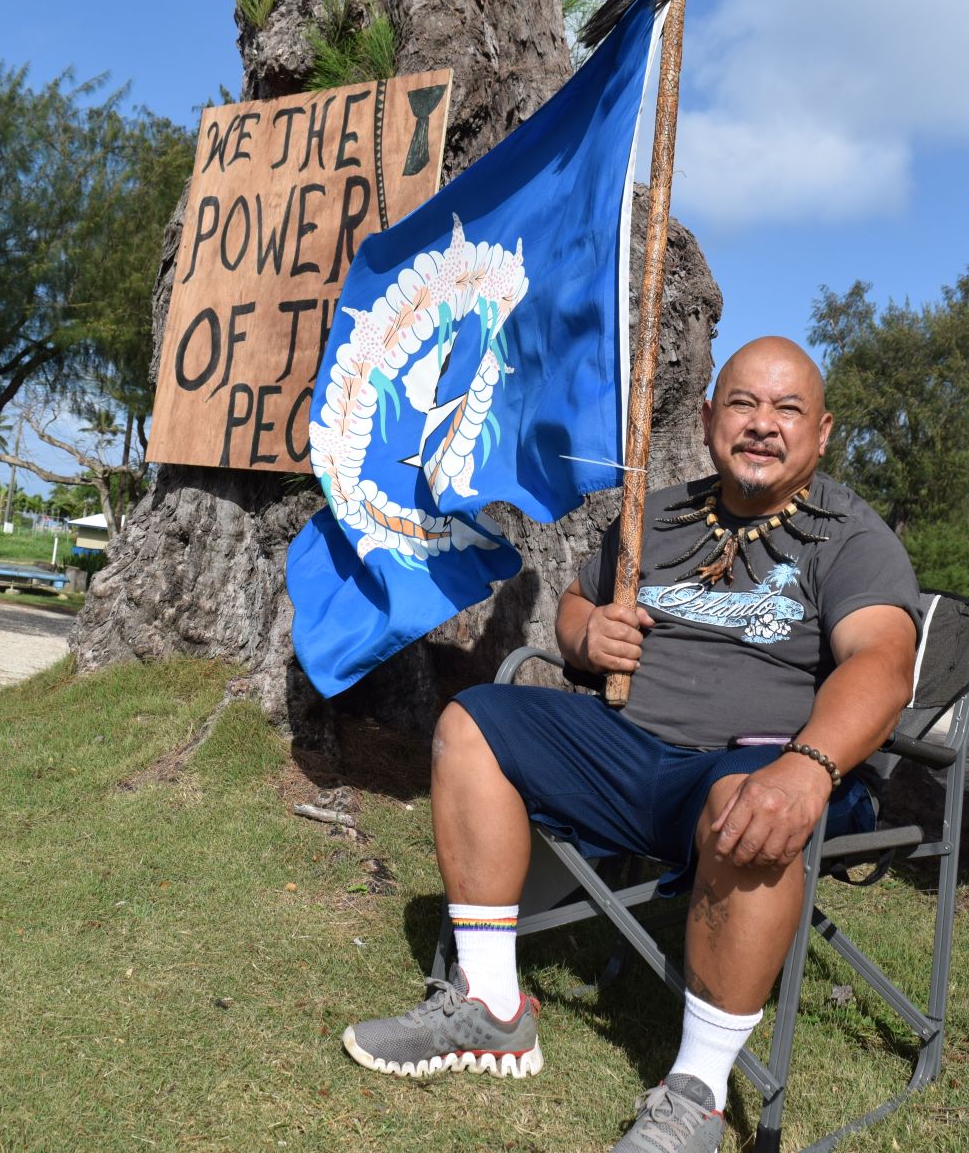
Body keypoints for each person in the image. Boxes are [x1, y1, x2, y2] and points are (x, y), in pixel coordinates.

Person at [341, 336, 921, 1152]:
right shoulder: (660, 516)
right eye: (744, 405)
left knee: (742, 801)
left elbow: (883, 667)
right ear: (708, 417)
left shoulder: (850, 539)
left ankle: (695, 1097)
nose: (762, 425)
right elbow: (578, 603)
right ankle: (491, 1005)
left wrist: (806, 769)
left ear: (820, 433)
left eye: (786, 409)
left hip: (754, 763)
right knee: (471, 721)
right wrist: (586, 639)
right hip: (625, 748)